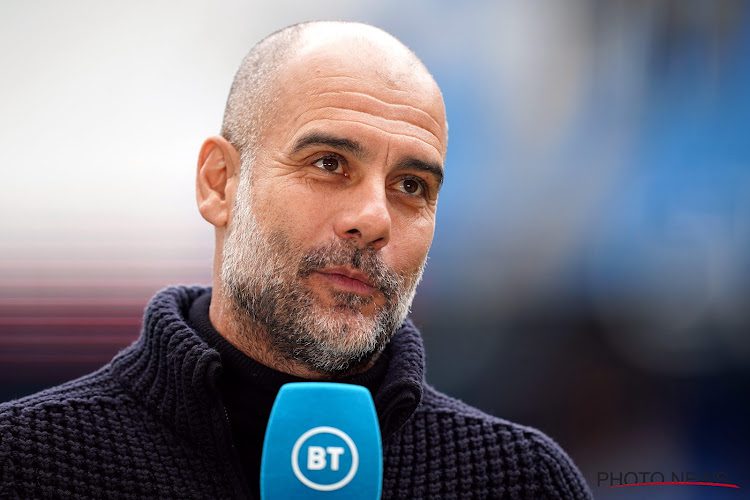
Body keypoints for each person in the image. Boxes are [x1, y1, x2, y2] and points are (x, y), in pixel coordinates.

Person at [0, 21, 592, 499]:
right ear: (219, 183)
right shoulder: (26, 463)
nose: (375, 219)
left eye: (411, 186)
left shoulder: (523, 481)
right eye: (329, 164)